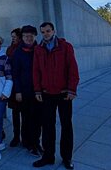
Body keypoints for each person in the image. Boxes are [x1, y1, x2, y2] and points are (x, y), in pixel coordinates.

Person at [32, 22, 79, 169]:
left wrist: (72, 90)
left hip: (64, 94)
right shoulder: (39, 49)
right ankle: (48, 156)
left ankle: (66, 158)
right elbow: (36, 71)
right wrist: (38, 90)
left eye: (48, 31)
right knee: (47, 127)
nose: (46, 34)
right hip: (46, 94)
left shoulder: (66, 47)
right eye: (43, 32)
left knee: (66, 126)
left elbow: (73, 69)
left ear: (53, 31)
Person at [12, 25, 42, 156]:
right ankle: (27, 142)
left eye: (31, 36)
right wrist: (18, 91)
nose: (28, 38)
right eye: (25, 36)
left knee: (38, 119)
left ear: (35, 36)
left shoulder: (40, 50)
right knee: (26, 118)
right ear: (22, 37)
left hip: (39, 91)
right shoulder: (18, 52)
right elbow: (15, 73)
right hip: (24, 91)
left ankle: (36, 142)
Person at [6, 28, 22, 147]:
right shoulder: (10, 49)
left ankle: (26, 137)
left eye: (15, 36)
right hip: (12, 84)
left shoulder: (23, 49)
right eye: (12, 37)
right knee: (15, 113)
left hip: (22, 84)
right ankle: (16, 136)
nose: (13, 39)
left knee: (26, 114)